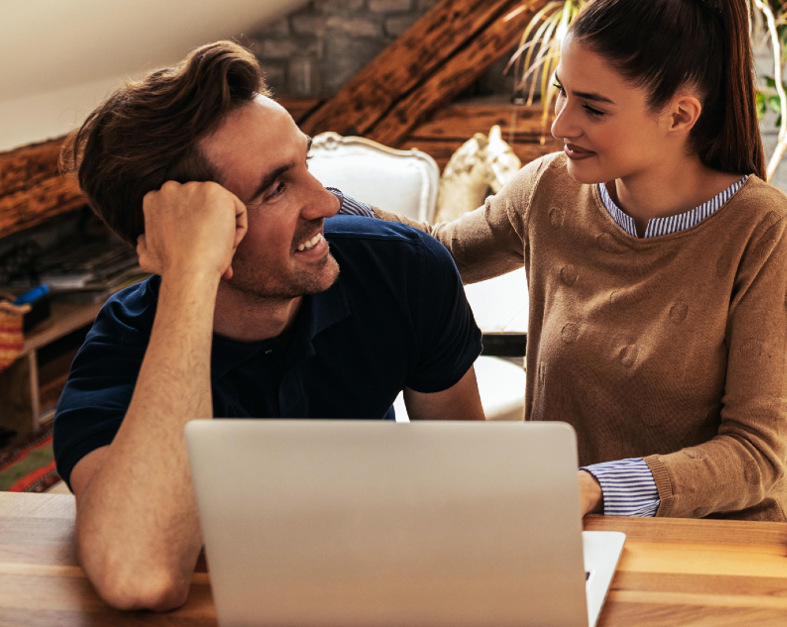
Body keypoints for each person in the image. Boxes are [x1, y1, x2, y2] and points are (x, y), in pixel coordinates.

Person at [356, 0, 787, 523]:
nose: (561, 125)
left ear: (679, 116)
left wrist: (597, 487)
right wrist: (320, 198)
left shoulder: (762, 230)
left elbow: (756, 456)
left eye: (593, 108)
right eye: (563, 93)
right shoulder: (547, 189)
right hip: (579, 533)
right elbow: (433, 253)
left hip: (726, 544)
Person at [52, 43, 484, 612]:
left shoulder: (404, 269)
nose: (327, 202)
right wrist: (190, 276)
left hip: (384, 589)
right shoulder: (124, 347)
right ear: (189, 231)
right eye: (276, 187)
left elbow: (475, 480)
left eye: (307, 165)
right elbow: (141, 575)